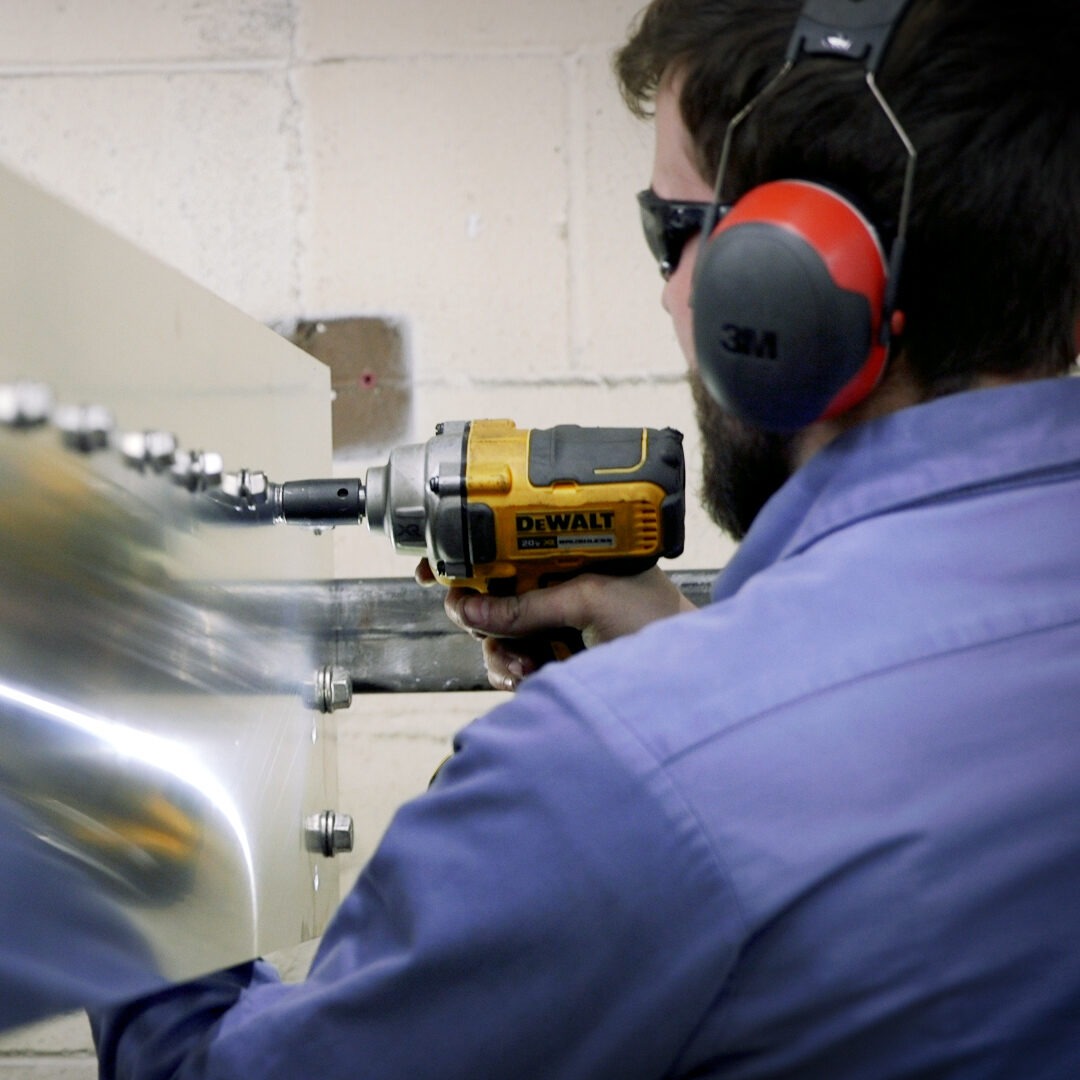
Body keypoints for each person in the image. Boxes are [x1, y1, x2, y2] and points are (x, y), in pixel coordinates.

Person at [94, 0, 1080, 1076]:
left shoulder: (617, 774)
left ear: (787, 282)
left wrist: (115, 784)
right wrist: (703, 661)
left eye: (674, 230)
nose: (668, 292)